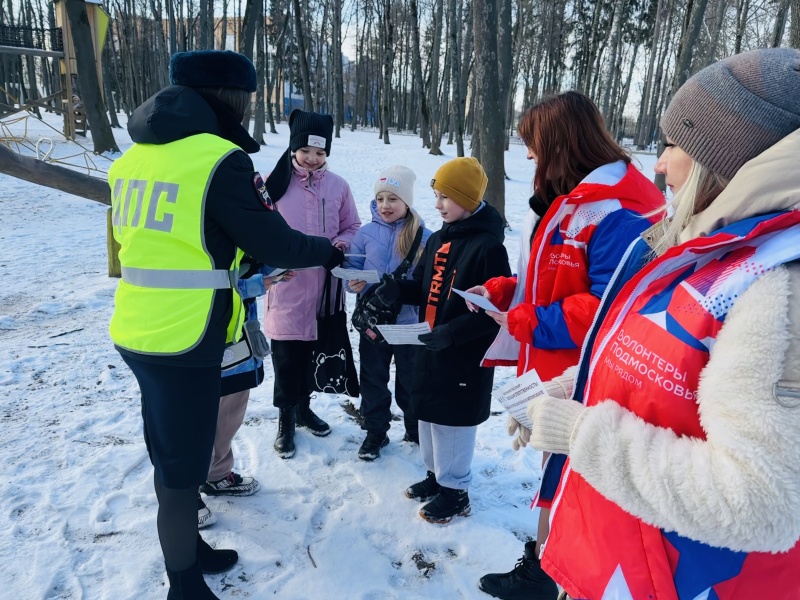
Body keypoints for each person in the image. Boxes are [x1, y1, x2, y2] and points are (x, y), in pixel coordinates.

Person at [525, 48, 800, 599]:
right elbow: (672, 366)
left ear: (722, 156)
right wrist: (572, 389)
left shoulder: (779, 285)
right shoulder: (711, 250)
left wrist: (580, 433)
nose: (655, 164)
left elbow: (761, 500)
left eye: (672, 144)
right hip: (622, 561)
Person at [108, 50, 343, 599]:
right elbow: (271, 239)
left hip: (139, 326)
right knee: (181, 465)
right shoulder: (218, 159)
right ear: (229, 98)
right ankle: (183, 582)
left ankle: (190, 551)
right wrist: (326, 252)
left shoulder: (133, 158)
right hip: (185, 334)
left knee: (172, 448)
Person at [470, 91, 665, 600]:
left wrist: (528, 320)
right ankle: (547, 563)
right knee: (553, 468)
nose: (528, 158)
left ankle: (552, 574)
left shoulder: (617, 211)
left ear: (561, 143)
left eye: (534, 147)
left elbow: (608, 307)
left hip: (582, 375)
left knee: (571, 475)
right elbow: (557, 279)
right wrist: (506, 291)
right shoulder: (568, 198)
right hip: (550, 370)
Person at [376, 157, 512, 523]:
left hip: (463, 354)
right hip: (430, 347)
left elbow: (494, 312)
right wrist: (396, 290)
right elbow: (423, 287)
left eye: (445, 198)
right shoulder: (438, 238)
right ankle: (436, 477)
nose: (437, 205)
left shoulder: (488, 248)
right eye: (436, 197)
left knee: (453, 422)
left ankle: (456, 491)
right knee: (429, 414)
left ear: (467, 198)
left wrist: (452, 334)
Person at [263, 109, 361, 459]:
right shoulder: (273, 183)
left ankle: (303, 409)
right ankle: (285, 419)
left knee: (312, 357)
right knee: (286, 359)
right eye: (307, 151)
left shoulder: (338, 187)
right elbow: (257, 229)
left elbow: (352, 227)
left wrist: (340, 245)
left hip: (324, 290)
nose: (313, 159)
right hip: (286, 286)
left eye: (320, 153)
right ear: (294, 148)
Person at [343, 165, 432, 460]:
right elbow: (351, 269)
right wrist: (352, 283)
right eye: (380, 199)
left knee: (411, 379)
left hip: (409, 324)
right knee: (373, 377)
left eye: (392, 199)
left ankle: (415, 427)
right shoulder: (365, 233)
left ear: (406, 201)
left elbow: (431, 281)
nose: (385, 205)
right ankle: (375, 431)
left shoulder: (424, 237)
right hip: (374, 323)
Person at [198, 259, 294, 528]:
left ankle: (217, 474)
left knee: (230, 413)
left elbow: (250, 261)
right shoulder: (204, 226)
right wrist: (254, 284)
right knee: (194, 418)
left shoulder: (244, 221)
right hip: (198, 337)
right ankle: (185, 492)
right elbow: (200, 283)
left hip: (239, 341)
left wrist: (271, 270)